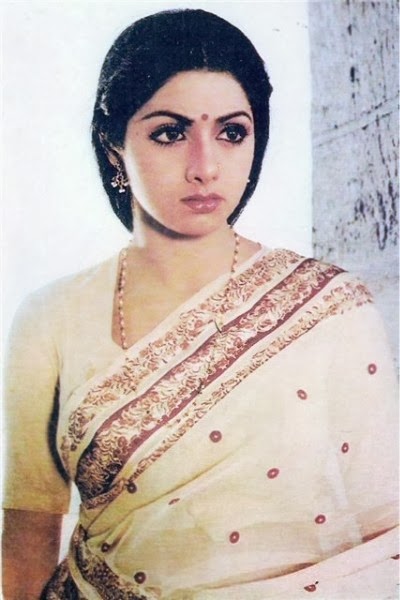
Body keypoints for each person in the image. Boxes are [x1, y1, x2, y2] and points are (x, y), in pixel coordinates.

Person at [2, 8, 398, 600]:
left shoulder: (332, 309)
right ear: (114, 147)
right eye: (170, 132)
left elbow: (386, 542)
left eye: (232, 133)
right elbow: (26, 544)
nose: (205, 167)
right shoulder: (49, 318)